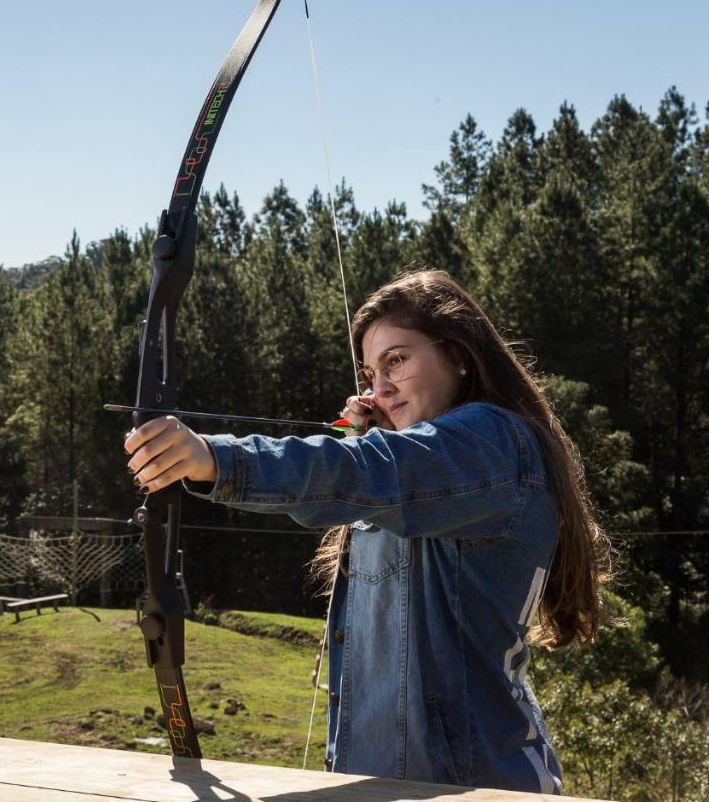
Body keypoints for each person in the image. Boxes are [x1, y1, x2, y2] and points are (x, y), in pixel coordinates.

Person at [123, 270, 611, 794]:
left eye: (397, 360)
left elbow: (363, 472)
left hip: (476, 785)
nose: (380, 386)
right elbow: (366, 476)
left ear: (459, 355)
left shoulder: (492, 440)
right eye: (370, 372)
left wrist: (218, 458)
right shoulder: (420, 464)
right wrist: (361, 437)